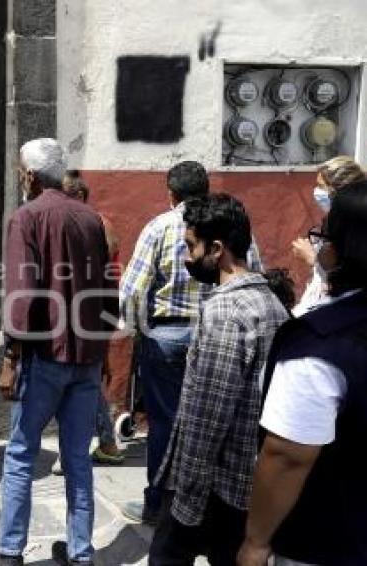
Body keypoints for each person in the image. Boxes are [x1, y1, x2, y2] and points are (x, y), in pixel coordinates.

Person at [0, 139, 118, 566]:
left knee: (22, 453)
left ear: (29, 175)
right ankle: (81, 552)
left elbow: (21, 296)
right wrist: (105, 351)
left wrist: (9, 358)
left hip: (44, 356)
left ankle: (10, 550)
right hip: (86, 355)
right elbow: (105, 290)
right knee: (77, 457)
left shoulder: (27, 217)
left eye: (20, 172)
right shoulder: (91, 219)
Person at [118, 161, 262, 524]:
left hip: (166, 336)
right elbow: (253, 273)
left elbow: (133, 290)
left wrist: (141, 331)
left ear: (171, 194)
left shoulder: (158, 227)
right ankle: (207, 509)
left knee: (164, 424)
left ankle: (159, 506)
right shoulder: (229, 226)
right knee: (217, 420)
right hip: (221, 332)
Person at [148, 194, 289, 565]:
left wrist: (186, 502)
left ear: (217, 249)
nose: (186, 257)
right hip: (248, 484)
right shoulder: (270, 302)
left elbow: (208, 419)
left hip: (217, 488)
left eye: (191, 247)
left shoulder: (226, 311)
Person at [238, 182, 367, 566]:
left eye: (325, 234)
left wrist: (256, 541)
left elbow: (288, 454)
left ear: (342, 247)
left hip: (328, 541)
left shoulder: (318, 345)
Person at [52, 171, 124, 476]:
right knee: (87, 381)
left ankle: (83, 448)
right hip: (87, 311)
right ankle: (105, 442)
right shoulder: (90, 223)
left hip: (89, 311)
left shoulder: (97, 225)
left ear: (79, 197)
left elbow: (101, 271)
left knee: (81, 380)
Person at [291, 156, 365, 316]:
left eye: (321, 186)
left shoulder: (354, 227)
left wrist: (313, 260)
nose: (316, 192)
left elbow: (349, 275)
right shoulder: (329, 220)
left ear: (337, 190)